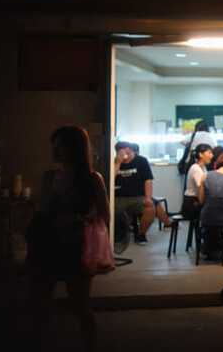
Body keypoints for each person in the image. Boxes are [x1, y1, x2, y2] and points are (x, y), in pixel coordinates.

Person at [28, 125, 110, 352]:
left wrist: (76, 217)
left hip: (75, 247)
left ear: (75, 148)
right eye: (53, 144)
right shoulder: (49, 177)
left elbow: (105, 215)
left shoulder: (92, 179)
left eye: (60, 144)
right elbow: (44, 209)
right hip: (47, 245)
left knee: (80, 307)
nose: (54, 149)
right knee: (41, 306)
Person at [114, 141, 155, 245]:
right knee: (114, 211)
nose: (126, 156)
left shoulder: (141, 161)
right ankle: (118, 234)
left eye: (128, 153)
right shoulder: (114, 162)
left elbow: (148, 180)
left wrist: (148, 197)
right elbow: (111, 179)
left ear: (132, 151)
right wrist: (118, 163)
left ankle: (141, 234)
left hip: (138, 196)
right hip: (118, 197)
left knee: (150, 210)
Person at [130, 142, 172, 228]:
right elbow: (148, 180)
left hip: (138, 195)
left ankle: (167, 223)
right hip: (139, 196)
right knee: (154, 204)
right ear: (137, 152)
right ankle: (167, 223)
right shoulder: (141, 162)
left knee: (153, 202)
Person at [182, 143, 213, 219]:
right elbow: (202, 187)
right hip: (191, 204)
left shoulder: (203, 168)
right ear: (201, 155)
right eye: (209, 153)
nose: (211, 156)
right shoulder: (196, 168)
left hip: (195, 202)